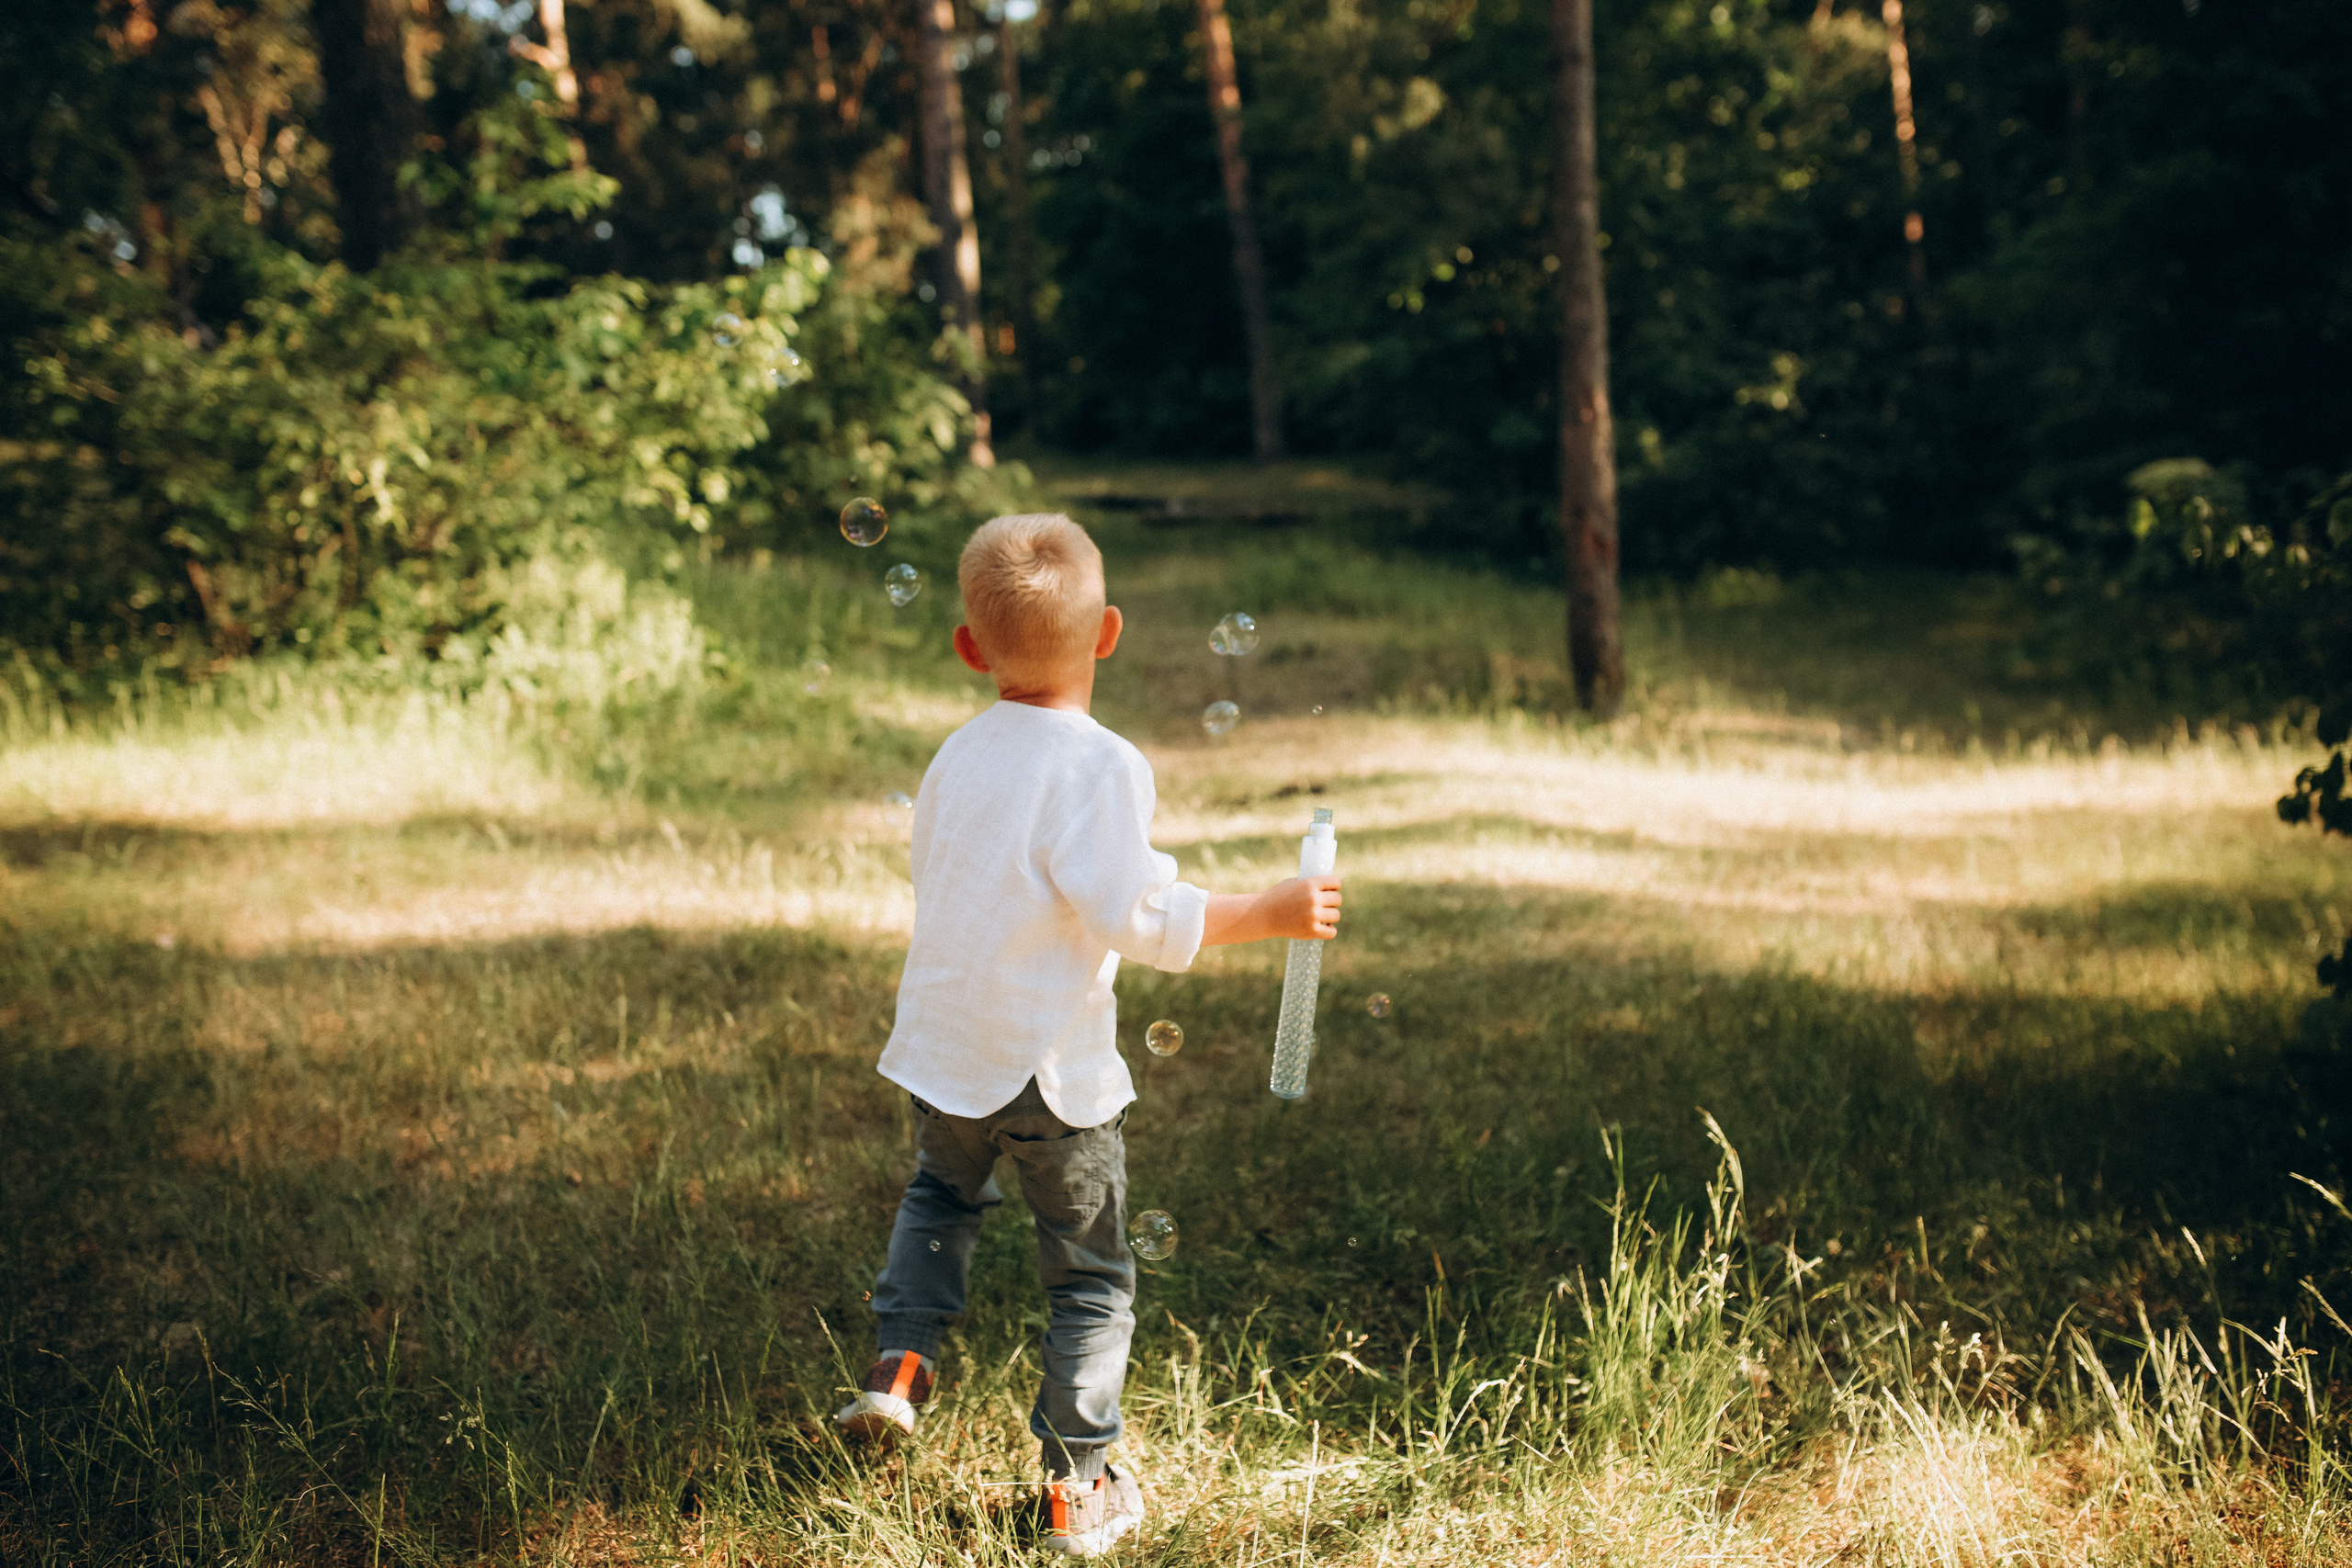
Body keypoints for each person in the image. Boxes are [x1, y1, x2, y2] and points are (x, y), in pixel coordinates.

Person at [835, 513, 1342, 1557]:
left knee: (939, 1196)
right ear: (1107, 632)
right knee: (1092, 1278)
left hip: (943, 1053)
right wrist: (1271, 910)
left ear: (970, 649)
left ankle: (898, 1370)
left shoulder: (957, 754)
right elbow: (1135, 919)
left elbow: (1013, 879)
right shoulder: (1101, 764)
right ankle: (1078, 1483)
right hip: (1048, 1073)